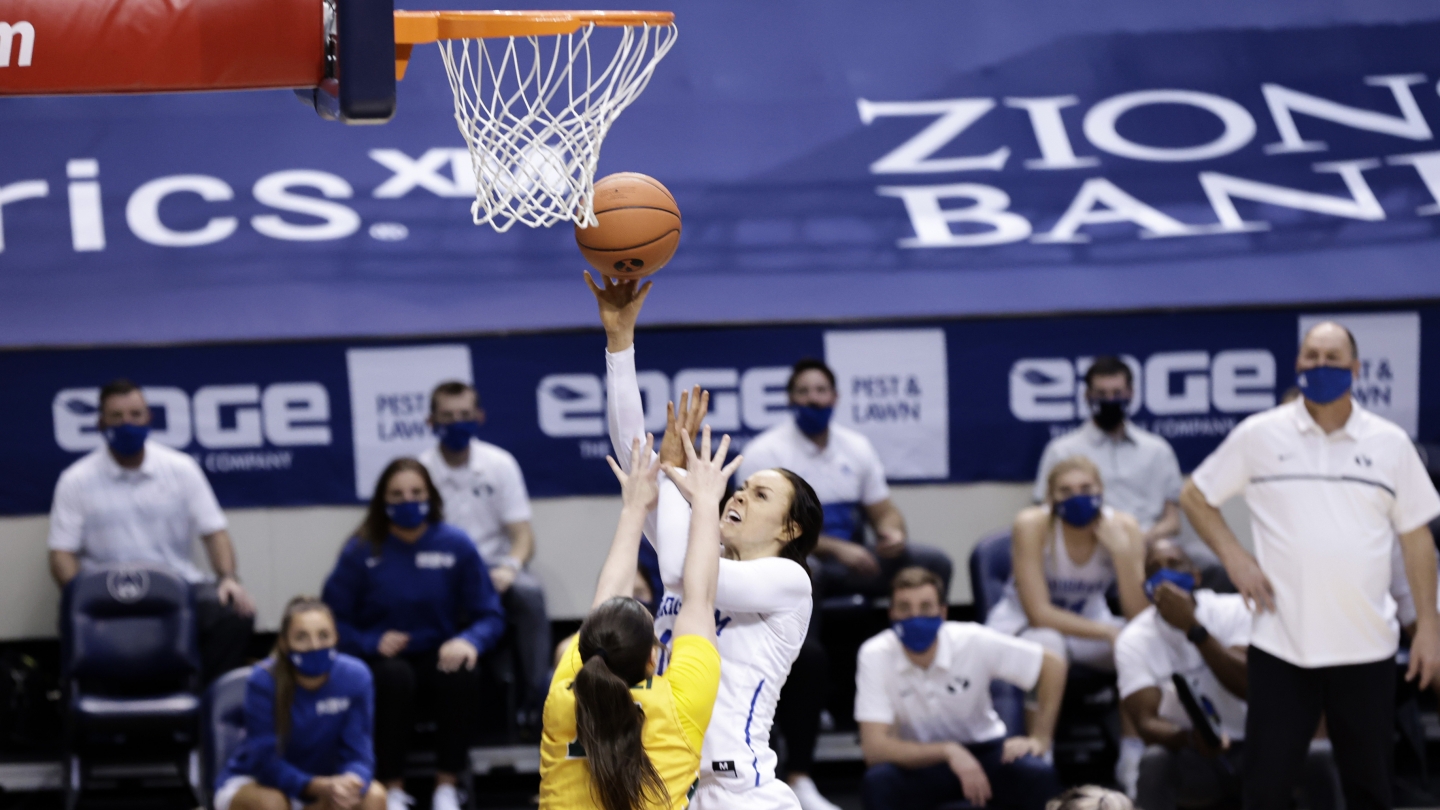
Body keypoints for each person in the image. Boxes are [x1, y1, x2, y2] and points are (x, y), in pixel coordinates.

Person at [1181, 320, 1440, 810]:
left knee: (1370, 792)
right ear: (1298, 363)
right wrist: (1235, 559)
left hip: (1365, 649)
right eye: (1311, 357)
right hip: (1283, 647)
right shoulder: (1260, 434)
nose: (1320, 366)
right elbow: (1195, 495)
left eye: (1332, 358)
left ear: (1356, 370)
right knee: (1265, 792)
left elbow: (1417, 538)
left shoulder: (1389, 443)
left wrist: (1429, 625)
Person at [590, 272, 823, 810]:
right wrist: (619, 343)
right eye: (740, 488)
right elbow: (635, 460)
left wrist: (675, 470)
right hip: (665, 786)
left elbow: (678, 570)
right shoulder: (700, 549)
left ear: (789, 530)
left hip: (740, 795)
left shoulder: (788, 581)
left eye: (759, 495)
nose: (738, 496)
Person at [738, 357, 953, 810]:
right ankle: (798, 703)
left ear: (834, 398)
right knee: (804, 582)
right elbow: (763, 534)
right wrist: (837, 549)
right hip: (800, 559)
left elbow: (884, 511)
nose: (813, 400)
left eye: (821, 392)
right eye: (803, 393)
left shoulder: (855, 447)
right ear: (790, 400)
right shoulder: (766, 452)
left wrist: (892, 533)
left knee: (931, 560)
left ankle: (926, 674)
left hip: (856, 562)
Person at [540, 431, 725, 810]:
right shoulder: (678, 704)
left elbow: (606, 597)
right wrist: (705, 502)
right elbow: (700, 595)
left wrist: (635, 507)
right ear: (654, 659)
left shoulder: (563, 697)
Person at [322, 459, 506, 810]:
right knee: (392, 678)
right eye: (397, 494)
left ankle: (447, 787)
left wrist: (470, 640)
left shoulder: (456, 545)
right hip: (384, 660)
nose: (408, 500)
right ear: (383, 500)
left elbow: (491, 614)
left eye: (416, 492)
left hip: (439, 653)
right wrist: (369, 642)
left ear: (431, 496)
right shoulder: (361, 550)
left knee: (462, 674)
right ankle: (392, 789)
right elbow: (331, 623)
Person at [47, 378, 255, 685]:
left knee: (235, 615)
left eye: (135, 415)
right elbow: (61, 554)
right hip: (109, 593)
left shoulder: (181, 468)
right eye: (116, 417)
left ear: (149, 419)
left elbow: (215, 533)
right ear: (100, 423)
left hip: (178, 586)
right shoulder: (75, 480)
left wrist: (228, 579)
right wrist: (82, 594)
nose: (127, 424)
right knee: (69, 615)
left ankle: (203, 706)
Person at [985, 456, 1147, 794]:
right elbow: (1039, 614)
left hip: (1085, 623)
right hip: (1022, 625)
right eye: (1066, 490)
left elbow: (1138, 614)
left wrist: (1122, 555)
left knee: (1138, 644)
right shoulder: (1033, 524)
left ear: (1102, 491)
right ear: (1050, 498)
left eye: (1086, 488)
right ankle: (1041, 752)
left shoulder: (1125, 528)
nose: (1077, 496)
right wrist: (1106, 631)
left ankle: (1132, 756)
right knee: (1048, 645)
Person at [855, 567, 1066, 810]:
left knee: (1037, 775)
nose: (915, 616)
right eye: (904, 608)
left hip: (986, 751)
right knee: (879, 782)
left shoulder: (972, 640)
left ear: (942, 612)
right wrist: (949, 751)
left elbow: (1052, 665)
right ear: (891, 613)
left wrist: (1040, 738)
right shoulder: (875, 653)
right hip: (919, 760)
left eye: (925, 607)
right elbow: (874, 749)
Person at [419, 380, 550, 733]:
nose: (456, 422)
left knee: (529, 593)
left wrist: (509, 567)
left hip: (494, 570)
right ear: (431, 421)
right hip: (439, 572)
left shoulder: (499, 464)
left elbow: (523, 536)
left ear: (479, 417)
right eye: (447, 416)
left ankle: (539, 701)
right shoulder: (420, 472)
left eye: (464, 414)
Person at [216, 597, 385, 810]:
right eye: (302, 637)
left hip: (325, 785)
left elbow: (359, 753)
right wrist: (318, 786)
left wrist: (351, 782)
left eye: (324, 635)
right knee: (273, 804)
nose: (314, 646)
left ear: (337, 637)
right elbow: (265, 764)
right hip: (258, 783)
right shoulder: (263, 680)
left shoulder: (356, 677)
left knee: (374, 796)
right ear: (285, 643)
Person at [1033, 356, 1184, 545]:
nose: (1110, 400)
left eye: (1117, 392)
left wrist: (1141, 541)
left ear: (1130, 393)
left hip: (1149, 543)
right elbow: (1046, 513)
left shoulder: (1157, 450)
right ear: (1087, 395)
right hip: (1086, 544)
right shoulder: (1062, 451)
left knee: (1193, 563)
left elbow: (1173, 521)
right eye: (1101, 394)